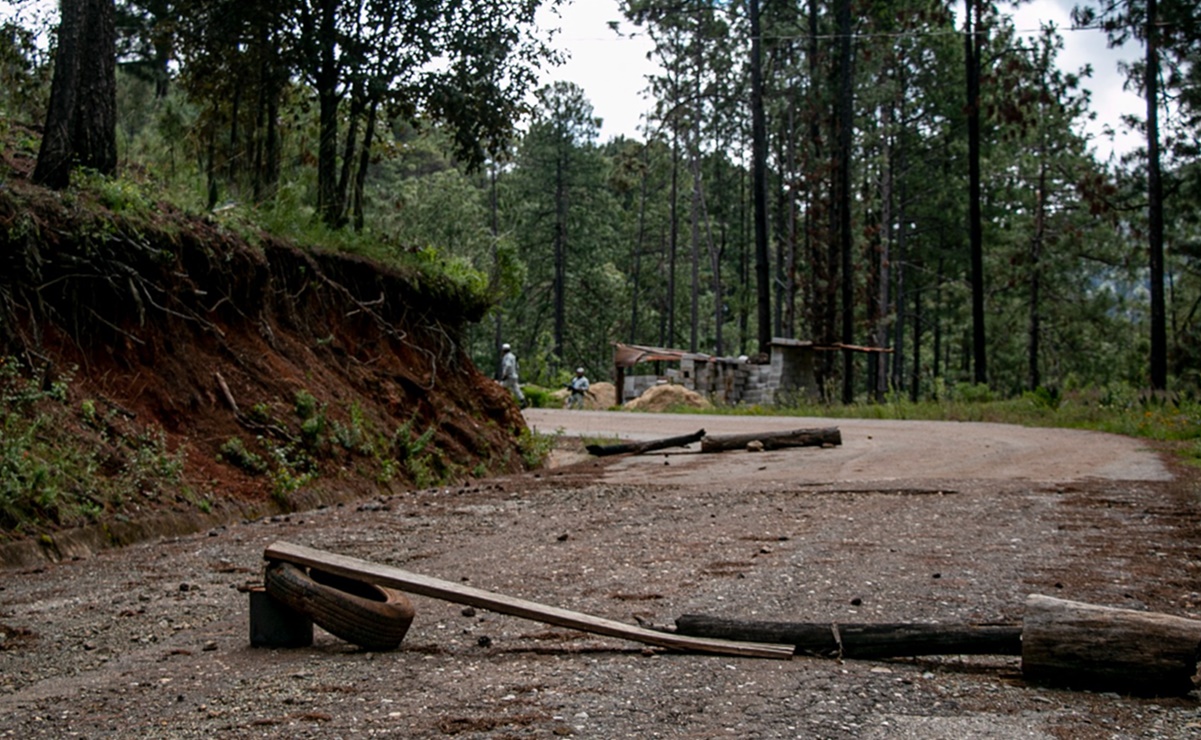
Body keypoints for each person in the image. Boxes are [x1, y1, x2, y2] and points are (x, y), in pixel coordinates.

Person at [498, 343, 526, 407]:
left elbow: (508, 366)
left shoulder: (506, 357)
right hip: (514, 376)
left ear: (503, 350)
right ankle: (523, 401)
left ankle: (501, 402)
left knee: (500, 386)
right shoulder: (513, 356)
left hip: (509, 376)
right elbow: (517, 366)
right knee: (516, 389)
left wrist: (505, 374)